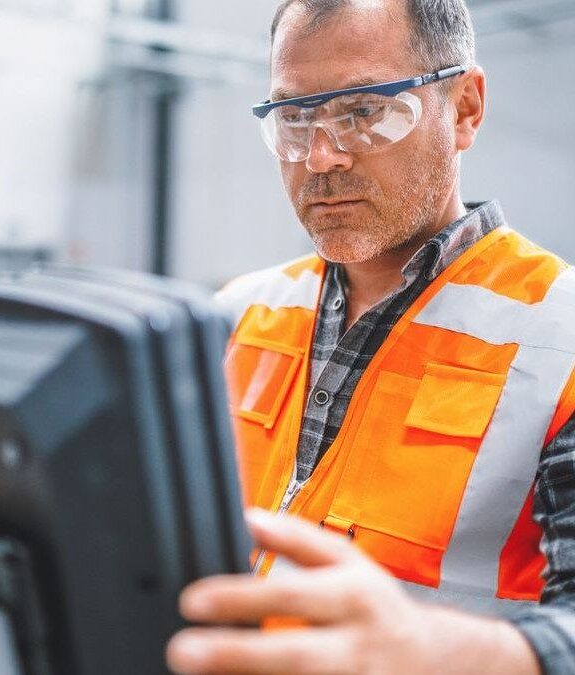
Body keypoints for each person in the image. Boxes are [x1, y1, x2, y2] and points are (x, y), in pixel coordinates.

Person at [166, 0, 575, 673]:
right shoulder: (238, 314)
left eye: (363, 111)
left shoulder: (561, 339)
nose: (320, 157)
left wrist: (460, 654)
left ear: (466, 107)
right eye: (294, 117)